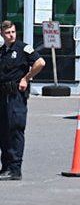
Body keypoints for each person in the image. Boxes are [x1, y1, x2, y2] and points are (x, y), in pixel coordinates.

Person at [0, 20, 45, 180]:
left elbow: (40, 62)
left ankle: (15, 168)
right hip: (2, 94)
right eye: (7, 33)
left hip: (16, 95)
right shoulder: (2, 51)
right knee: (3, 131)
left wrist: (26, 78)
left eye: (13, 32)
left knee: (15, 128)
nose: (11, 35)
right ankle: (5, 166)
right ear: (2, 34)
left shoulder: (23, 48)